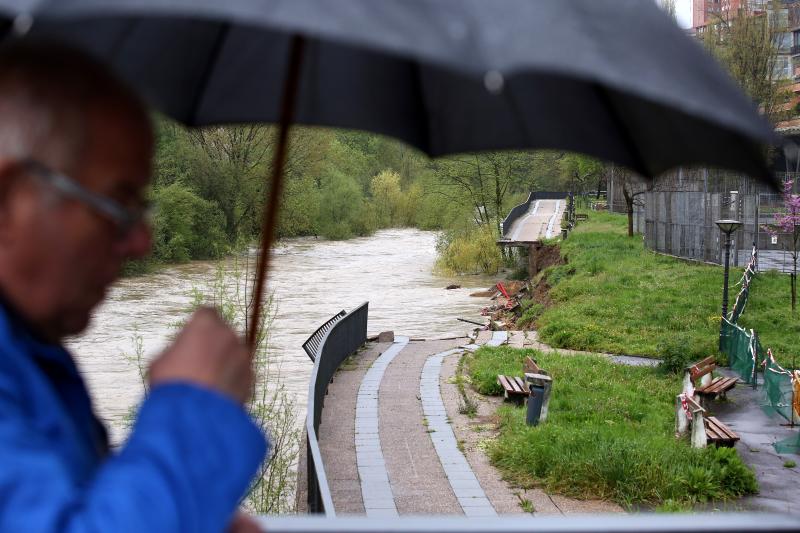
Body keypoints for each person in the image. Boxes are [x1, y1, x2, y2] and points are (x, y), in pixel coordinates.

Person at [0, 41, 268, 532]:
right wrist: (192, 408)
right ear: (7, 200)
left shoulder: (28, 357)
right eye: (118, 207)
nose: (142, 242)